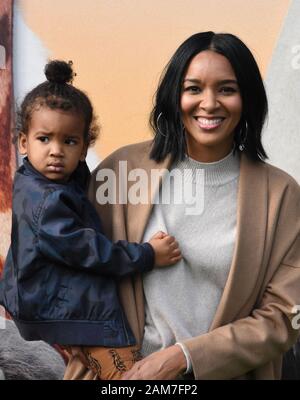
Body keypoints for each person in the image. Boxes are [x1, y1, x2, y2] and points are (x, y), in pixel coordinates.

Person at [64, 31, 300, 380]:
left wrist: (183, 357)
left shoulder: (281, 195)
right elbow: (65, 259)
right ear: (175, 96)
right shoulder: (121, 171)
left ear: (247, 98)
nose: (209, 103)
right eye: (193, 89)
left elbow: (285, 315)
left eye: (227, 89)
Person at [0, 60, 182, 380]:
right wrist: (148, 254)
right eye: (45, 139)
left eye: (69, 141)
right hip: (69, 313)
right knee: (131, 376)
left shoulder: (43, 178)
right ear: (23, 142)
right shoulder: (46, 201)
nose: (56, 151)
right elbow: (90, 251)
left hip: (51, 305)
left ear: (84, 148)